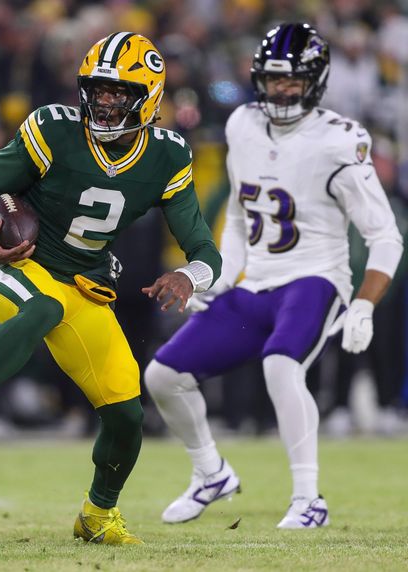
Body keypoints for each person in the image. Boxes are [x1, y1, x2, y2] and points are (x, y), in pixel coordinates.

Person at [0, 32, 221, 545]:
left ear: (149, 95)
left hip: (86, 283)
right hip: (18, 260)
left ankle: (98, 514)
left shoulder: (167, 155)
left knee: (126, 411)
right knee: (41, 309)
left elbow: (205, 250)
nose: (104, 102)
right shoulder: (55, 128)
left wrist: (187, 276)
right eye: (98, 90)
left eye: (119, 93)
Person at [143, 23, 404, 529]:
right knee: (162, 376)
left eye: (293, 80)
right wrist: (217, 278)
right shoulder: (242, 123)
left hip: (315, 278)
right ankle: (210, 473)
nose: (282, 90)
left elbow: (386, 236)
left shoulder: (339, 140)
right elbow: (240, 216)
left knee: (280, 366)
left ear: (317, 80)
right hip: (256, 281)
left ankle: (309, 499)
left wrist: (366, 303)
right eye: (274, 79)